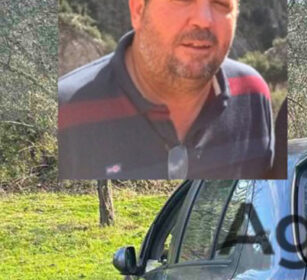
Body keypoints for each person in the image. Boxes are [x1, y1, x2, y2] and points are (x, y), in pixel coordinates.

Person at [58, 0, 278, 180]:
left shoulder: (251, 95)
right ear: (138, 10)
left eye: (221, 3)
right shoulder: (67, 112)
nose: (204, 20)